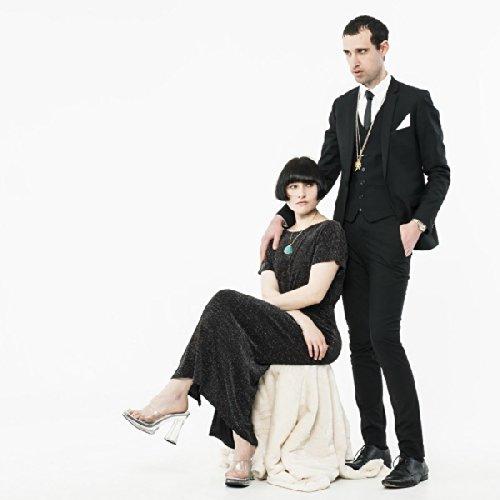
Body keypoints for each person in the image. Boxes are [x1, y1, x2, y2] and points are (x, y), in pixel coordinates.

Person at [260, 16, 450, 489]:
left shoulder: (415, 102)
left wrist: (417, 224)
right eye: (347, 53)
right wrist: (282, 214)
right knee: (361, 344)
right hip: (347, 238)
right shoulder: (343, 107)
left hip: (392, 237)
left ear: (383, 48)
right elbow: (324, 172)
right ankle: (375, 445)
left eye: (362, 52)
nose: (353, 62)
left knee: (385, 339)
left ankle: (414, 455)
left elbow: (439, 172)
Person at [123, 157, 348, 488]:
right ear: (284, 192)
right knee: (230, 339)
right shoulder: (278, 238)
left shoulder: (329, 231)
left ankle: (178, 391)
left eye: (308, 186)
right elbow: (268, 293)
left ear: (319, 189)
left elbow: (315, 293)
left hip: (317, 337)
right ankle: (242, 449)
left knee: (224, 301)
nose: (301, 194)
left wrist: (303, 319)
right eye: (293, 186)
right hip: (290, 325)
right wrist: (298, 316)